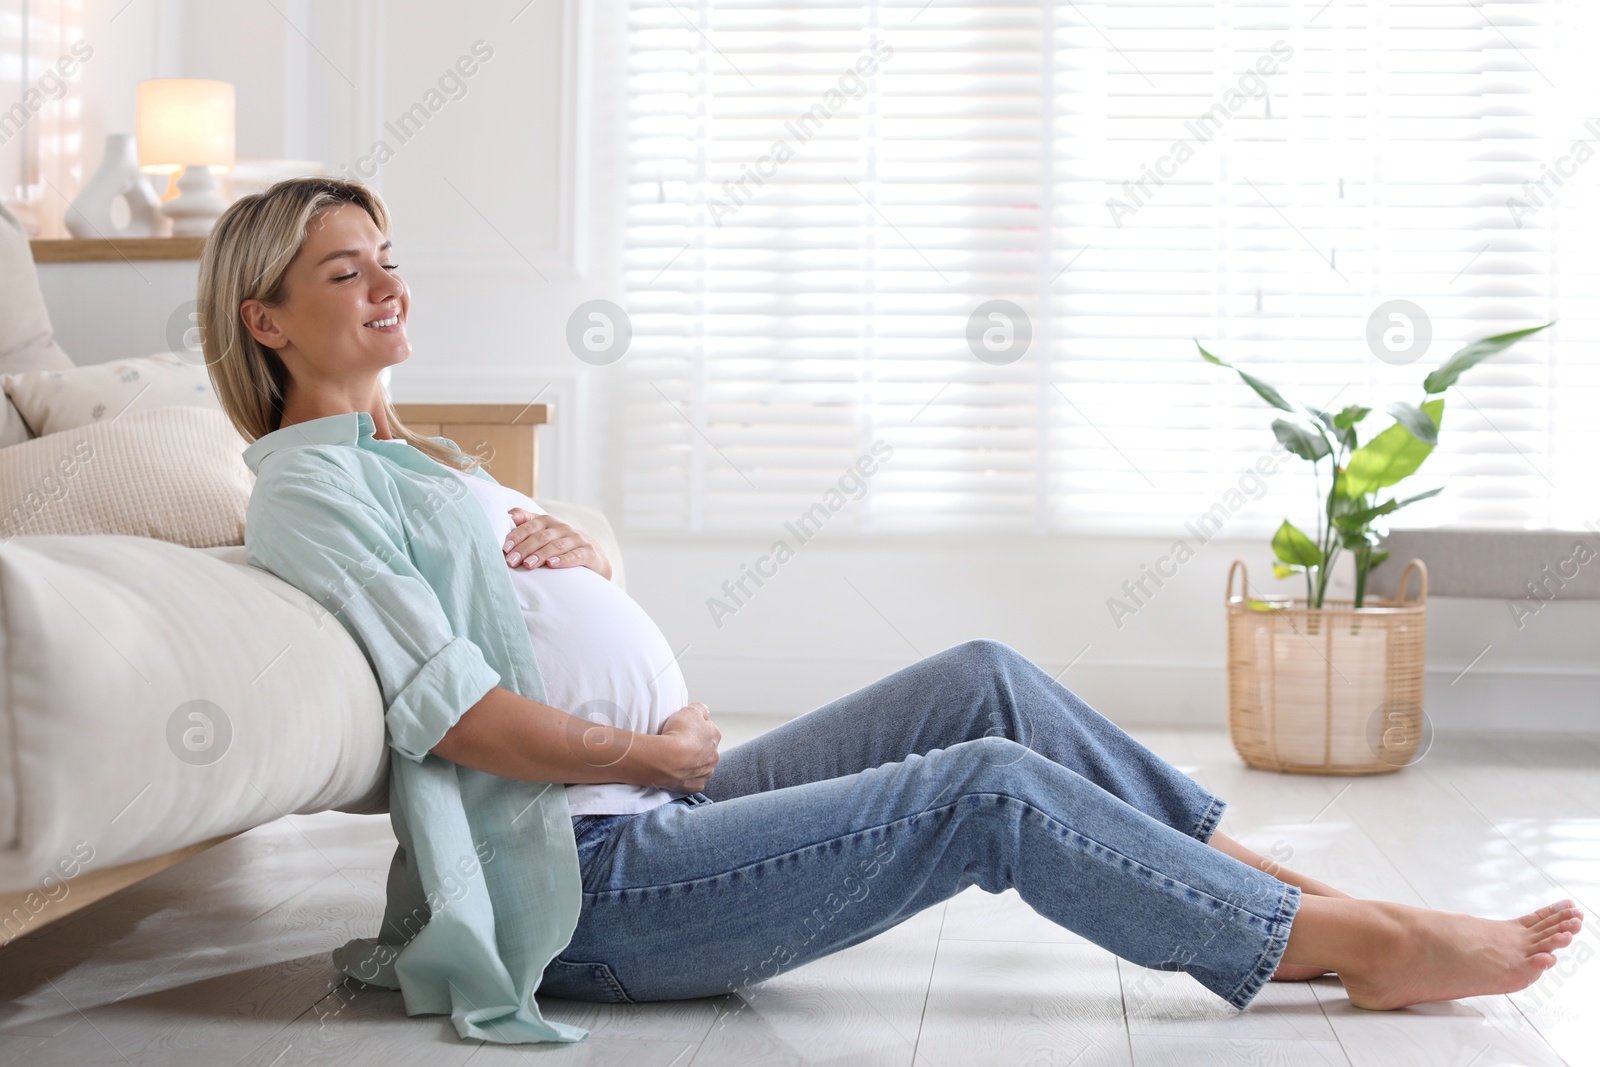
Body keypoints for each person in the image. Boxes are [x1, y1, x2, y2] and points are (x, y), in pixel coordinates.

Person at [200, 176, 1583, 1046]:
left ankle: (1302, 909)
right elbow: (457, 715)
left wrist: (597, 590)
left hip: (655, 809)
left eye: (389, 255)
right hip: (587, 894)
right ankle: (1359, 946)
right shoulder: (309, 491)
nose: (389, 284)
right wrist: (650, 752)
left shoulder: (423, 460)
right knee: (986, 789)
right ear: (266, 323)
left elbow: (528, 625)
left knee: (985, 677)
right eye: (345, 272)